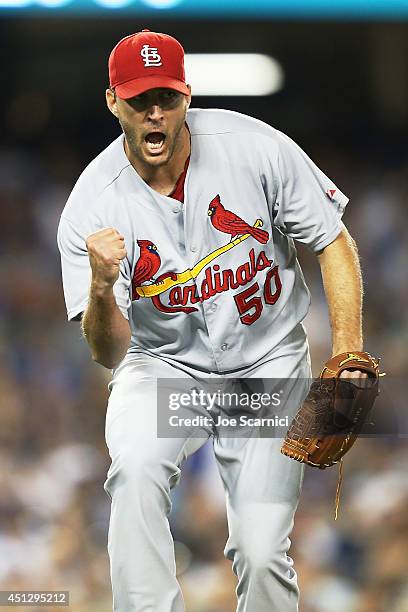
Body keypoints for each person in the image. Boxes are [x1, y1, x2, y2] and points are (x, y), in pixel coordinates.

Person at [57, 29, 367, 612]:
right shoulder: (92, 202)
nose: (154, 113)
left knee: (260, 549)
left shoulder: (254, 148)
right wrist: (102, 286)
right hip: (163, 366)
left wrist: (344, 353)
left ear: (187, 98)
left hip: (268, 358)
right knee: (136, 469)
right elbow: (108, 352)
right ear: (112, 101)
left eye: (166, 98)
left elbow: (332, 240)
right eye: (139, 98)